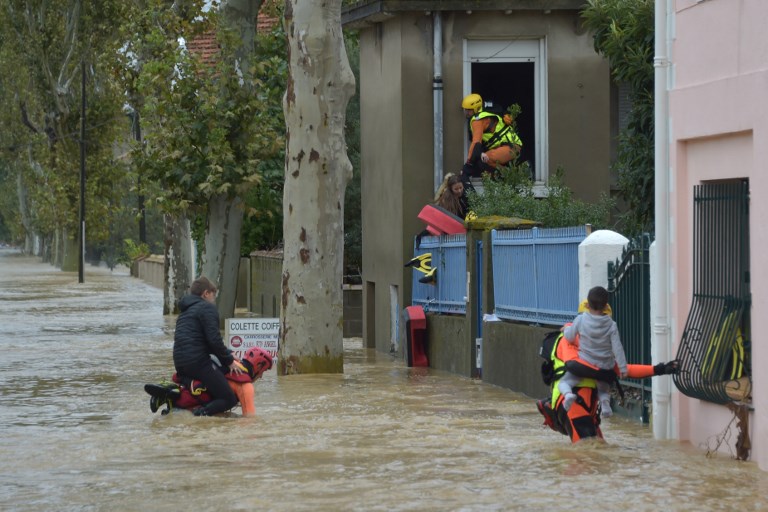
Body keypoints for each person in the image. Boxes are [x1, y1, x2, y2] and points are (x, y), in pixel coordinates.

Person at [173, 276, 245, 416]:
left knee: (208, 389)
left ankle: (178, 404)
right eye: (213, 295)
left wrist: (228, 352)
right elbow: (214, 340)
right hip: (198, 362)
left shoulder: (185, 311)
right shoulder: (207, 307)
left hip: (180, 363)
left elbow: (203, 341)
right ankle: (199, 415)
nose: (214, 299)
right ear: (206, 293)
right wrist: (229, 361)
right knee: (228, 398)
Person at [557, 286, 627, 418]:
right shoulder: (612, 325)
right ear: (606, 306)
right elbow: (617, 348)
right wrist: (623, 368)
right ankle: (605, 404)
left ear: (587, 305)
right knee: (603, 388)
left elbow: (570, 337)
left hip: (585, 364)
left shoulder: (581, 319)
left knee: (564, 382)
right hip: (605, 367)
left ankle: (568, 395)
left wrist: (566, 328)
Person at [461, 93, 522, 186]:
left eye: (469, 110)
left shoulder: (477, 120)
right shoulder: (489, 111)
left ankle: (513, 175)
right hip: (508, 146)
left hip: (510, 147)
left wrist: (468, 164)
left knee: (486, 159)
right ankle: (505, 178)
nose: (466, 112)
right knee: (484, 166)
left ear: (476, 108)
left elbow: (476, 142)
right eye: (465, 109)